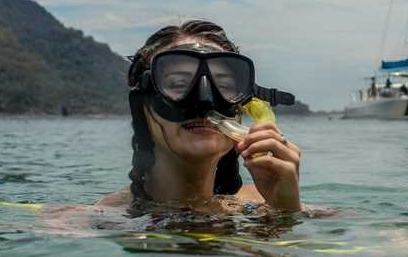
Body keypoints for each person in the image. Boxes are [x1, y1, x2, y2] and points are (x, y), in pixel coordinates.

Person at [98, 20, 302, 215]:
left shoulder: (273, 204)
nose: (205, 101)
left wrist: (284, 212)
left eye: (224, 87)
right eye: (179, 85)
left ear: (241, 108)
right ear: (143, 107)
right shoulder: (93, 222)